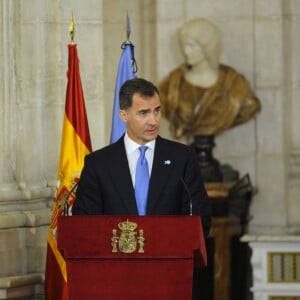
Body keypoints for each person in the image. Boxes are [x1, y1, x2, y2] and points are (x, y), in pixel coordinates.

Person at [72, 77, 211, 237]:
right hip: (116, 259)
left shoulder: (182, 158)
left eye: (157, 111)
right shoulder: (98, 164)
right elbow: (84, 225)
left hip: (168, 258)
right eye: (143, 113)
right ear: (124, 116)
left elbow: (200, 219)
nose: (153, 121)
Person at [159, 18, 261, 140]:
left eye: (191, 46)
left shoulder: (234, 86)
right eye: (183, 45)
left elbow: (249, 108)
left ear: (207, 47)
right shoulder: (170, 86)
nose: (185, 51)